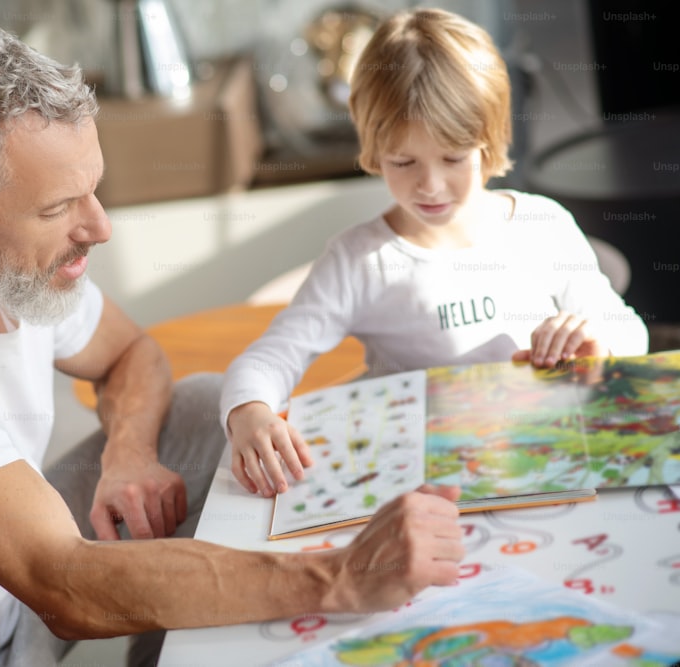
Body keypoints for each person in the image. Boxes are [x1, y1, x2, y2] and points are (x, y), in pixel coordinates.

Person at [0, 22, 465, 667]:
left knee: (200, 405)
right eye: (60, 207)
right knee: (228, 569)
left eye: (91, 191)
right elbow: (63, 583)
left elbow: (132, 354)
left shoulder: (7, 262)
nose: (98, 227)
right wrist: (340, 576)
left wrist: (129, 454)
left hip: (11, 597)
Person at [221, 7, 649, 499]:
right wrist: (248, 411)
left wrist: (599, 339)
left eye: (453, 158)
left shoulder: (542, 225)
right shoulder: (360, 262)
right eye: (403, 161)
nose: (431, 185)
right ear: (373, 150)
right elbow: (270, 359)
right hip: (427, 491)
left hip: (551, 463)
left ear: (489, 143)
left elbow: (629, 330)